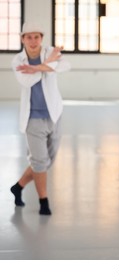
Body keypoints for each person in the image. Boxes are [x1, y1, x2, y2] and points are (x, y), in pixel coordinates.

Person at [10, 22, 71, 215]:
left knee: (47, 161)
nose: (33, 41)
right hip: (32, 118)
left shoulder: (50, 51)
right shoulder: (17, 60)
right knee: (39, 161)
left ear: (41, 38)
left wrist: (38, 66)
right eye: (29, 37)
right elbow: (27, 80)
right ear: (22, 39)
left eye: (37, 37)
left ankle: (18, 186)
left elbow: (66, 66)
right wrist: (47, 66)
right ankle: (43, 201)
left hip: (54, 114)